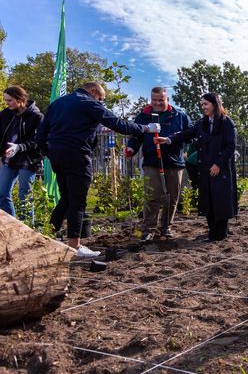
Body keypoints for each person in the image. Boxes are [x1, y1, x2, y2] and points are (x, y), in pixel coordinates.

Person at [35, 82, 160, 258]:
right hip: (78, 155)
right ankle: (75, 246)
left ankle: (46, 236)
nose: (101, 103)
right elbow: (117, 124)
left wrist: (48, 151)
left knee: (67, 198)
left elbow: (40, 134)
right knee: (78, 201)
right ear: (93, 92)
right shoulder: (88, 103)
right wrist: (146, 128)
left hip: (57, 156)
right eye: (101, 99)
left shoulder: (57, 104)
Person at [157, 92, 237, 241]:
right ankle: (213, 233)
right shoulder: (202, 123)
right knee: (209, 200)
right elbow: (187, 133)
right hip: (205, 168)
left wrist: (218, 164)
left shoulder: (226, 123)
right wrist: (168, 139)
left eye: (205, 104)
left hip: (221, 168)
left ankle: (219, 235)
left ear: (215, 104)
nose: (203, 107)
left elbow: (230, 146)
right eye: (202, 104)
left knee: (220, 200)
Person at [124, 87, 192, 241]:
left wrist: (171, 140)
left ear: (167, 99)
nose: (157, 103)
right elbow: (136, 136)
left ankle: (166, 227)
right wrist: (131, 148)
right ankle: (148, 229)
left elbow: (189, 135)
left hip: (174, 163)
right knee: (152, 197)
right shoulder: (143, 116)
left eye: (161, 100)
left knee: (171, 197)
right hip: (151, 162)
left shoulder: (180, 116)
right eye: (154, 100)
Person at [0, 86, 43, 220]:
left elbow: (38, 141)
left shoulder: (37, 117)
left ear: (21, 99)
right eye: (6, 100)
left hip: (28, 161)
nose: (7, 103)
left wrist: (19, 147)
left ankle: (27, 227)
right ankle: (12, 224)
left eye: (10, 100)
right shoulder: (6, 114)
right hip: (9, 160)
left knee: (24, 195)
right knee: (2, 193)